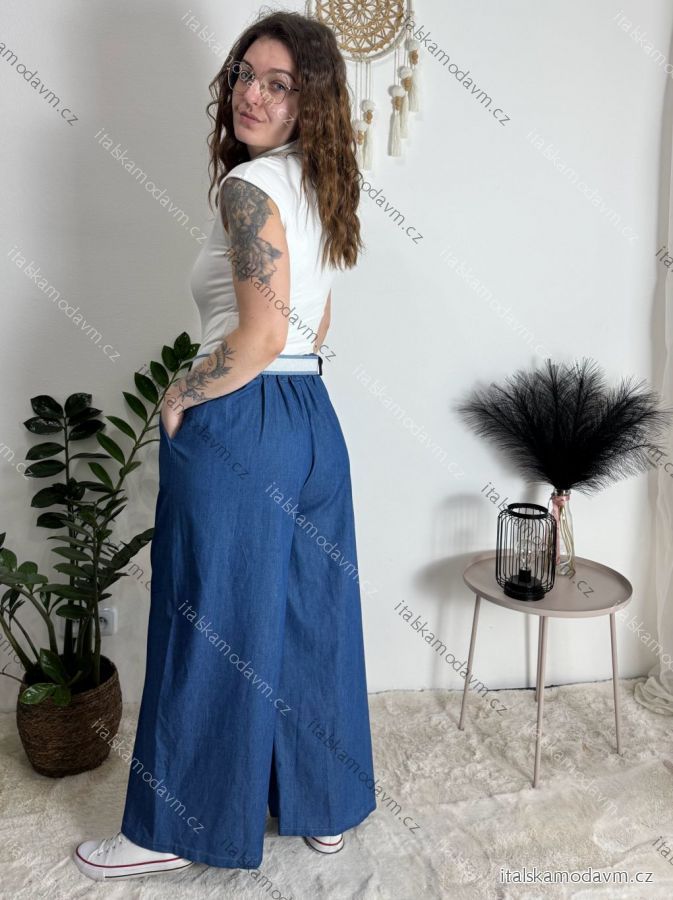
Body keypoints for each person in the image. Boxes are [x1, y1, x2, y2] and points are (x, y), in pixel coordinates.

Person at [73, 9, 376, 881]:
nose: (252, 94)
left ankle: (171, 828)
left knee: (207, 619)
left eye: (278, 85)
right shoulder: (323, 185)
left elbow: (258, 334)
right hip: (313, 418)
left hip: (244, 416)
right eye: (245, 74)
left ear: (308, 101)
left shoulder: (247, 188)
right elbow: (316, 322)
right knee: (309, 614)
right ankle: (321, 805)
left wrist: (181, 393)